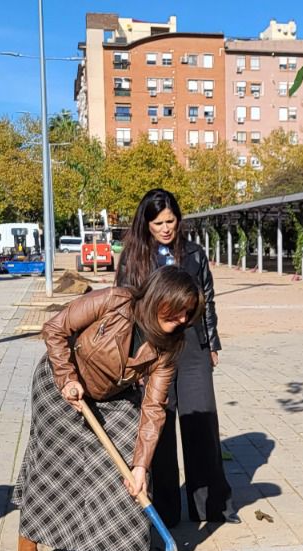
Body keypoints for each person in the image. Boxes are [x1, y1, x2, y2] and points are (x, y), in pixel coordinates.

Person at [15, 267, 204, 551]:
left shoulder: (169, 347)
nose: (183, 319)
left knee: (130, 467)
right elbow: (55, 328)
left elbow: (154, 407)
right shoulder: (115, 301)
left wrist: (140, 465)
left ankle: (135, 549)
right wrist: (66, 377)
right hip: (61, 385)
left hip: (112, 397)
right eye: (179, 309)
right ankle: (28, 541)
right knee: (53, 465)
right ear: (159, 298)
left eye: (189, 313)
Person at [116, 189, 237, 526]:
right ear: (146, 224)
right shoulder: (132, 259)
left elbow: (207, 300)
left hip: (193, 346)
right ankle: (166, 510)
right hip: (153, 349)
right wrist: (133, 357)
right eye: (158, 223)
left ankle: (210, 506)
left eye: (170, 221)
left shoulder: (195, 253)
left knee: (201, 422)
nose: (166, 228)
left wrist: (212, 345)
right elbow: (125, 308)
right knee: (162, 425)